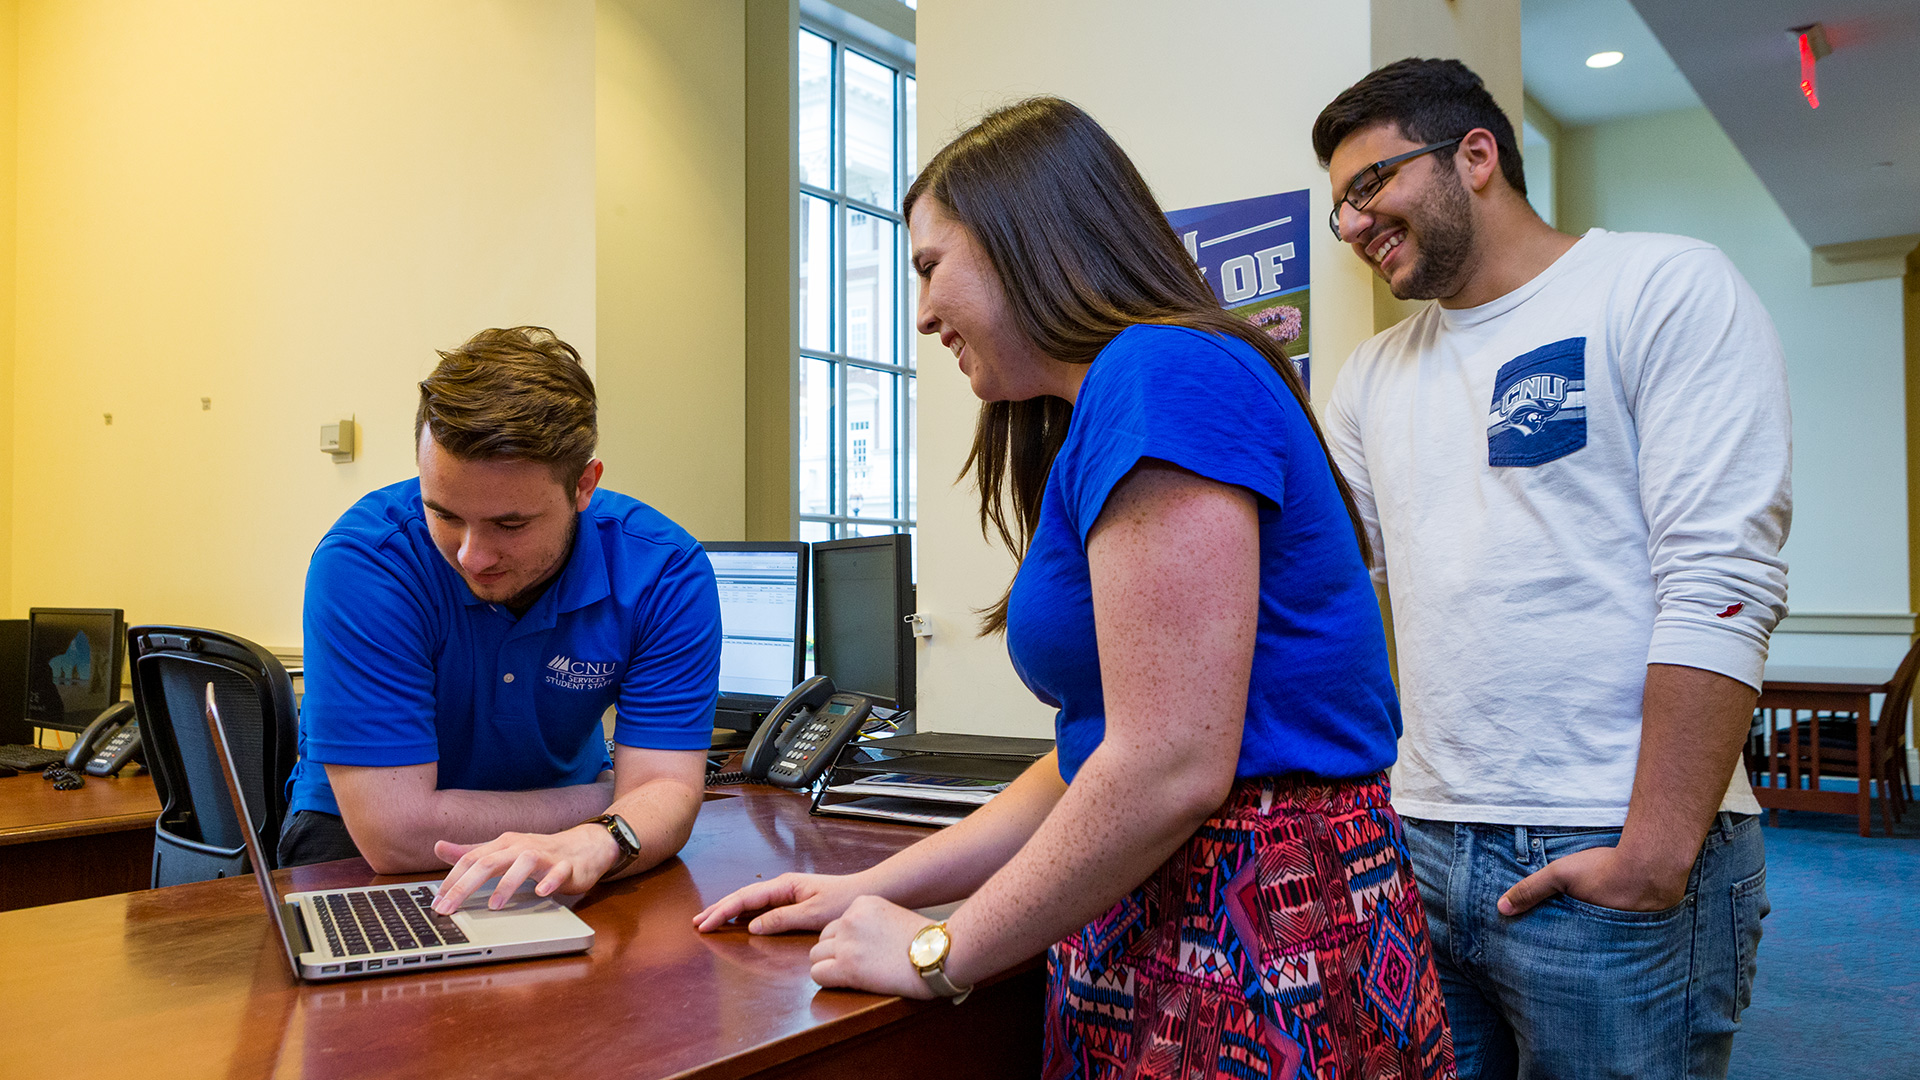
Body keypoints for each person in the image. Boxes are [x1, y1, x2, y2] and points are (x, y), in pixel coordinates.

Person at [696, 98, 1454, 1080]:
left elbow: (1168, 764)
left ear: (1025, 241)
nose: (921, 313)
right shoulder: (1122, 400)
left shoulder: (1162, 373)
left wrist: (939, 951)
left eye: (931, 267)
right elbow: (1091, 755)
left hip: (1255, 929)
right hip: (1186, 912)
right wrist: (872, 886)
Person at [1313, 59, 1789, 1080]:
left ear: (1475, 155)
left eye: (1369, 186)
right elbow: (1317, 587)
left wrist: (1656, 855)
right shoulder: (1369, 378)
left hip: (1614, 838)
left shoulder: (1660, 285)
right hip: (1425, 840)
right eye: (1338, 209)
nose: (1351, 226)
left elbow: (1720, 578)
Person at [280, 326, 722, 915]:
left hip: (574, 848)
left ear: (584, 485)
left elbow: (665, 796)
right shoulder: (366, 563)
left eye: (510, 525)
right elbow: (395, 833)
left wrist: (609, 831)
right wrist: (615, 801)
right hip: (357, 846)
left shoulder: (663, 571)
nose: (471, 555)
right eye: (445, 514)